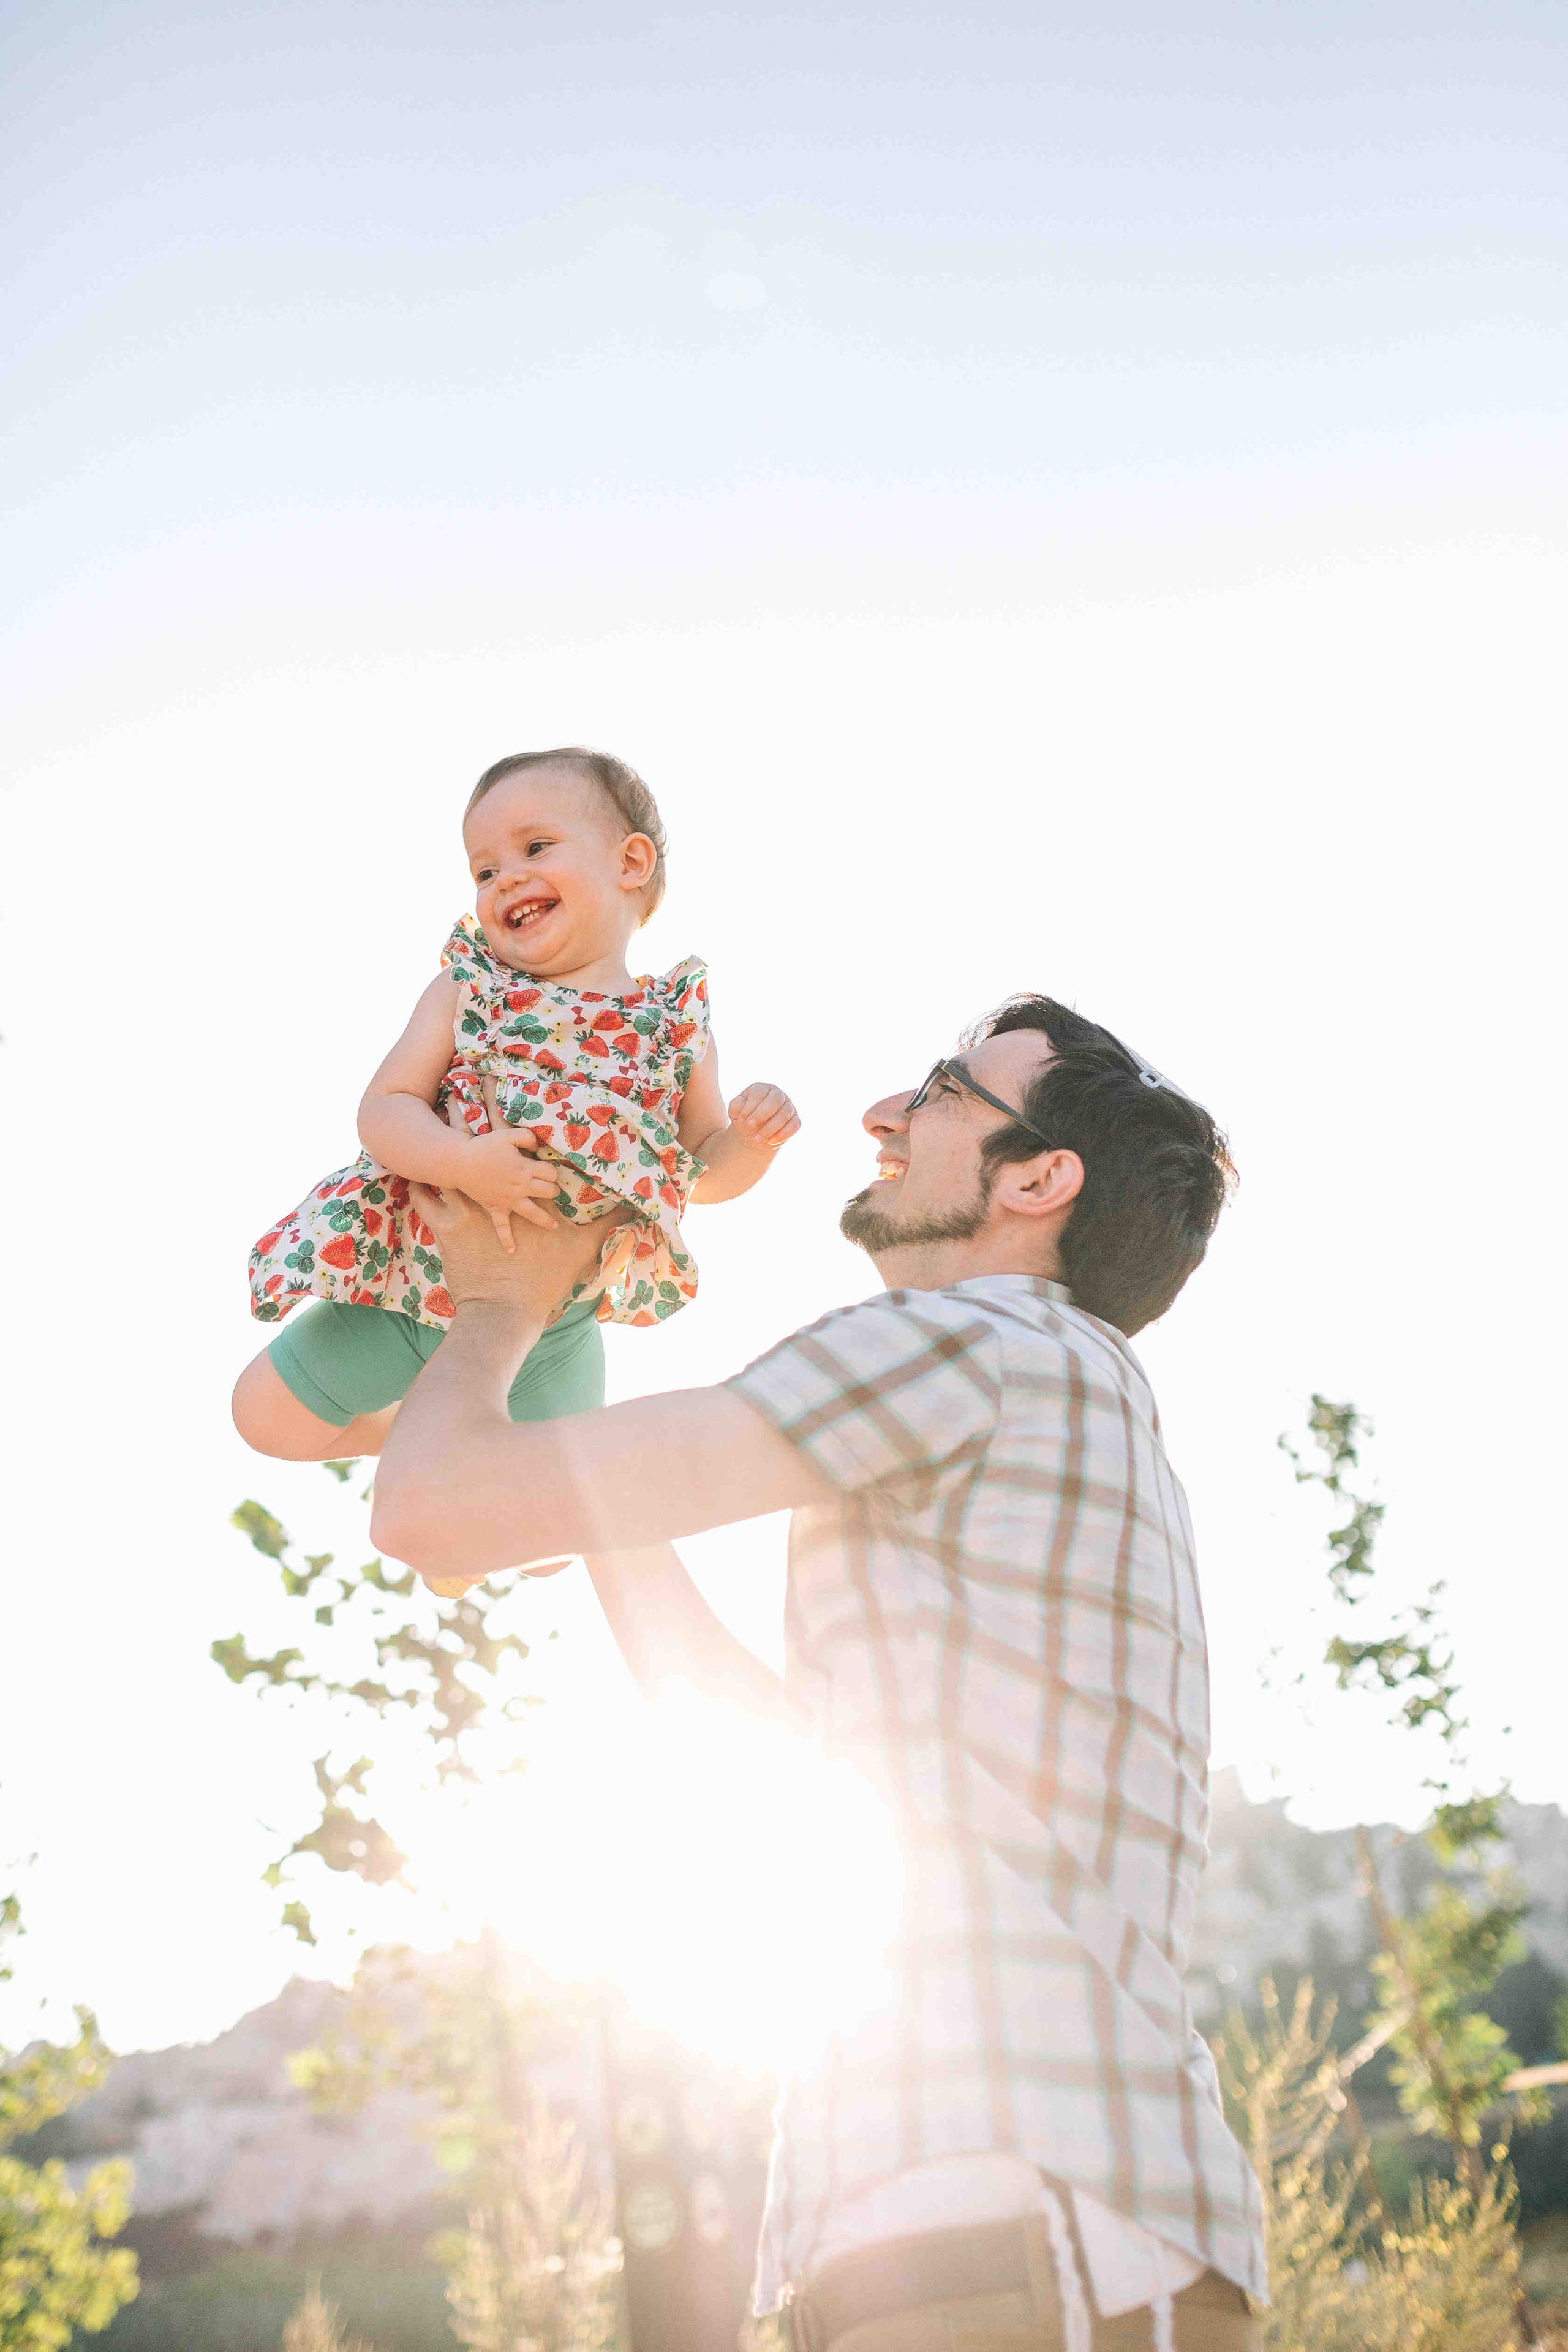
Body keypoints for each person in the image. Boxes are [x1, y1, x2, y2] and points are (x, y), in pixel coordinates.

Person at [368, 995, 1268, 2351]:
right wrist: (573, 1472)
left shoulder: (973, 1344)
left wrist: (502, 1310)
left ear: (1038, 1180)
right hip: (995, 2224)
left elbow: (430, 1508)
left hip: (1013, 2217)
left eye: (942, 1089)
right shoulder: (1048, 1393)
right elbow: (762, 1747)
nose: (883, 1115)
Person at [232, 746, 799, 1480]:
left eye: (535, 848)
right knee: (264, 1417)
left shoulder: (674, 1033)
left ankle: (452, 1446)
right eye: (484, 871)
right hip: (410, 1277)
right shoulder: (471, 991)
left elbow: (698, 1175)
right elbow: (385, 1108)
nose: (505, 879)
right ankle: (405, 1431)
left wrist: (752, 1145)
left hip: (552, 1325)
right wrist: (463, 1161)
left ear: (631, 863)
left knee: (550, 1513)